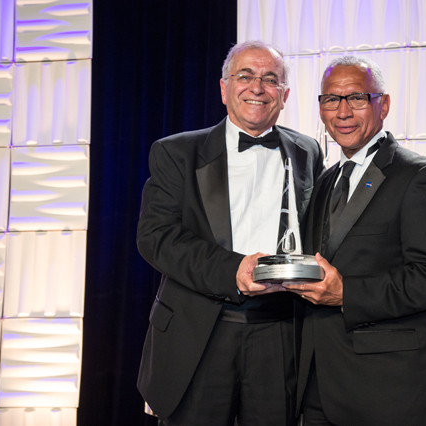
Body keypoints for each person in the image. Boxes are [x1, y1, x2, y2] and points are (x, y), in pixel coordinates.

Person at [136, 40, 324, 426]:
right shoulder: (176, 153)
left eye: (270, 79)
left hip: (281, 334)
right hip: (199, 331)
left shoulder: (308, 151)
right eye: (245, 76)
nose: (257, 87)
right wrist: (232, 271)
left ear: (284, 95)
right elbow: (155, 237)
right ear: (224, 88)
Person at [283, 56, 426, 426]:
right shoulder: (325, 181)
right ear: (320, 108)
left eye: (357, 98)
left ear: (384, 104)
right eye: (331, 99)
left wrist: (347, 292)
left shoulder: (421, 176)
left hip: (393, 392)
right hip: (319, 390)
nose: (343, 111)